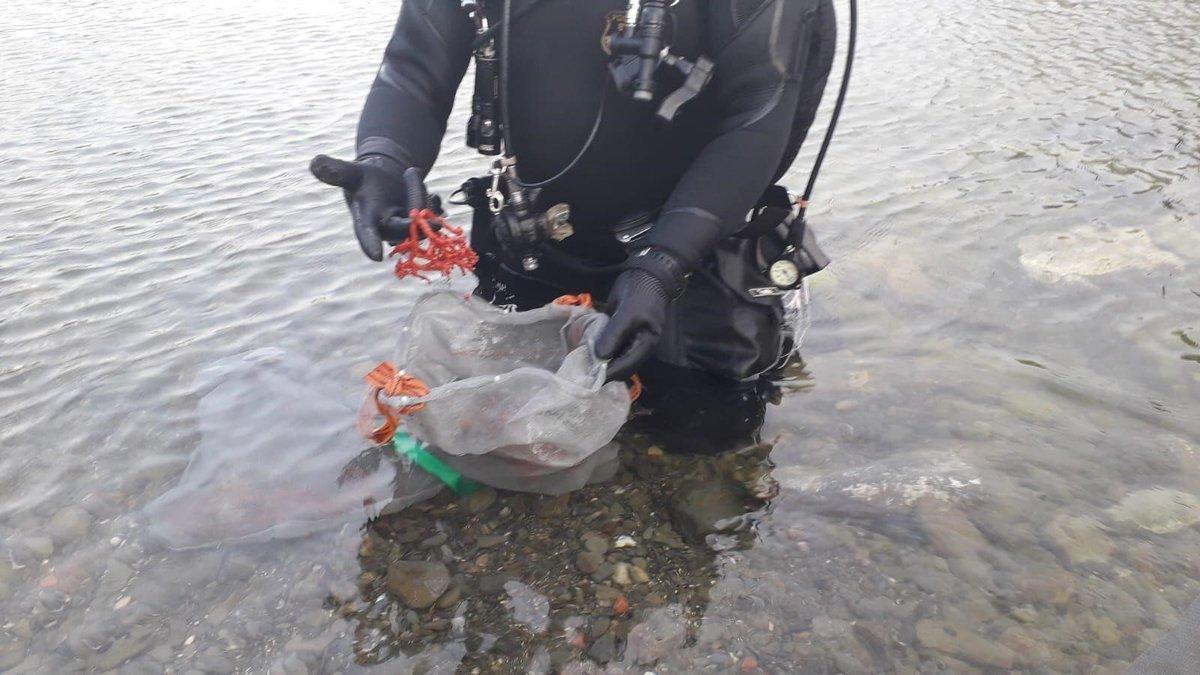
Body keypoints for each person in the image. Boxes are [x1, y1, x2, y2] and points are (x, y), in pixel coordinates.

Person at [312, 0, 837, 392]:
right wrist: (382, 158)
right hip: (535, 246)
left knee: (700, 439)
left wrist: (662, 264)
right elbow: (412, 69)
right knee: (502, 427)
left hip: (693, 264)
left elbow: (759, 115)